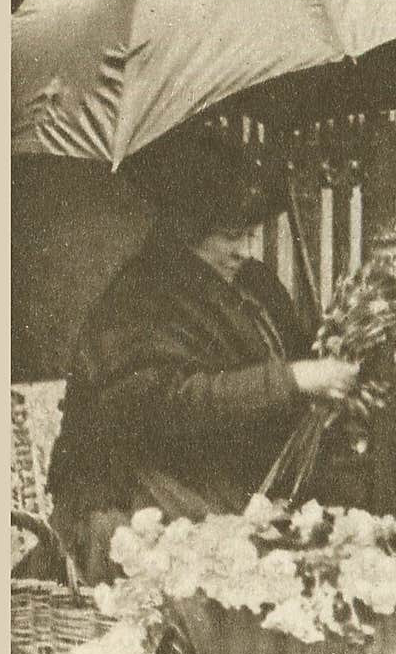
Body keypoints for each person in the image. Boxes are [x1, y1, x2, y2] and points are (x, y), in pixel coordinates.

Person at [48, 130, 358, 586]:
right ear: (185, 232)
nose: (244, 250)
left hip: (229, 487)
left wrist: (319, 384)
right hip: (137, 498)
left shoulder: (255, 285)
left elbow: (287, 367)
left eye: (249, 234)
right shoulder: (141, 297)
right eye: (230, 236)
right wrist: (293, 380)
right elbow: (164, 403)